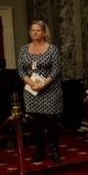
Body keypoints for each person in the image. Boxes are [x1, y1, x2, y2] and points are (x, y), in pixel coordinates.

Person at [17, 20, 63, 163]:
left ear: (44, 33)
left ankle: (54, 151)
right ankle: (39, 151)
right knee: (34, 123)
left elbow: (56, 70)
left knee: (51, 122)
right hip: (31, 91)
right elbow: (21, 69)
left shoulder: (52, 49)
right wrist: (31, 83)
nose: (34, 33)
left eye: (37, 30)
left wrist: (42, 84)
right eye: (32, 30)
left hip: (50, 90)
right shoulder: (24, 49)